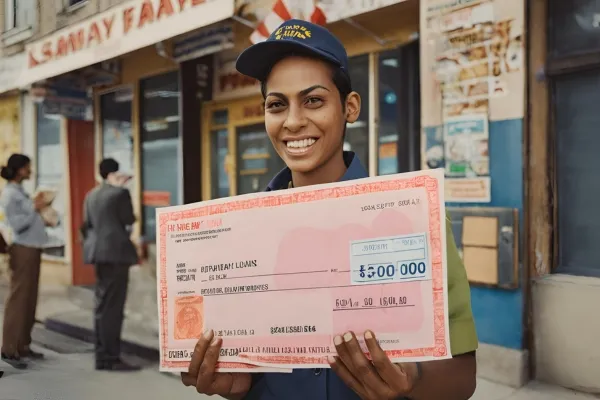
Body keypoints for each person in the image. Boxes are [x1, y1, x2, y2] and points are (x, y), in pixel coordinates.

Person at [181, 20, 478, 400]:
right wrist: (236, 386)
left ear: (350, 107)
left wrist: (414, 378)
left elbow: (462, 377)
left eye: (313, 100)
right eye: (277, 105)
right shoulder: (241, 236)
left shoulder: (415, 219)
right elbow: (247, 366)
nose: (293, 121)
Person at [81, 158, 139, 372]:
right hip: (116, 253)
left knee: (102, 305)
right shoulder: (120, 193)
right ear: (115, 173)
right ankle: (110, 358)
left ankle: (102, 355)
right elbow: (129, 218)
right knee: (113, 307)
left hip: (98, 253)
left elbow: (86, 224)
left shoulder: (91, 195)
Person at [0, 153, 47, 370]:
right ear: (19, 170)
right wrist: (34, 209)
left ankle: (24, 344)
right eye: (28, 167)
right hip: (23, 250)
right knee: (19, 300)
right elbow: (17, 224)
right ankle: (9, 349)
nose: (31, 170)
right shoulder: (9, 194)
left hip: (33, 248)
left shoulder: (20, 192)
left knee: (30, 299)